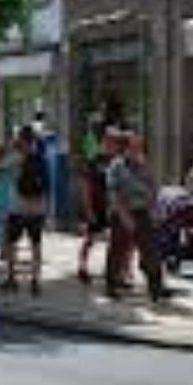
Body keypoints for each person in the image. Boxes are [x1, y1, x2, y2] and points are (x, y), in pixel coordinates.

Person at [106, 132, 166, 301]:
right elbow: (113, 192)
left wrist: (153, 210)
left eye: (139, 146)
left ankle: (156, 287)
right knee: (117, 250)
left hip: (142, 212)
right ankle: (112, 285)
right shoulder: (116, 166)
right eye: (134, 146)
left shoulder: (144, 164)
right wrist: (124, 215)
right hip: (122, 213)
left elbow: (153, 187)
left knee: (150, 249)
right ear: (126, 148)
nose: (138, 149)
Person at [2, 126, 48, 295]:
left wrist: (11, 149)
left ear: (20, 139)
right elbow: (46, 184)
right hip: (38, 208)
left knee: (12, 243)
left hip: (18, 208)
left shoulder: (15, 157)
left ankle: (11, 278)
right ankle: (35, 281)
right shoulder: (40, 157)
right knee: (36, 245)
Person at [76, 128, 116, 285]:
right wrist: (88, 209)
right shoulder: (93, 161)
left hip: (110, 207)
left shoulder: (115, 161)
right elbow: (85, 186)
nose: (113, 145)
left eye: (115, 142)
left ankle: (111, 270)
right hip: (95, 206)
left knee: (113, 240)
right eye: (110, 142)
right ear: (103, 142)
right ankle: (82, 267)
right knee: (90, 239)